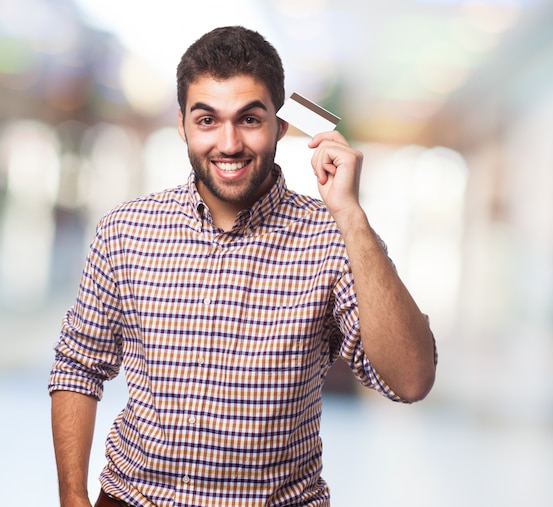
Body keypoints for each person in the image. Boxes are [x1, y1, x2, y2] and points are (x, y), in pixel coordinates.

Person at [49, 25, 437, 507]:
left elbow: (411, 380)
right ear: (183, 125)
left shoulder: (334, 239)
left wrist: (351, 215)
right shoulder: (124, 231)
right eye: (207, 120)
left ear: (281, 125)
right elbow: (78, 366)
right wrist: (72, 497)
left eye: (249, 119)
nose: (228, 144)